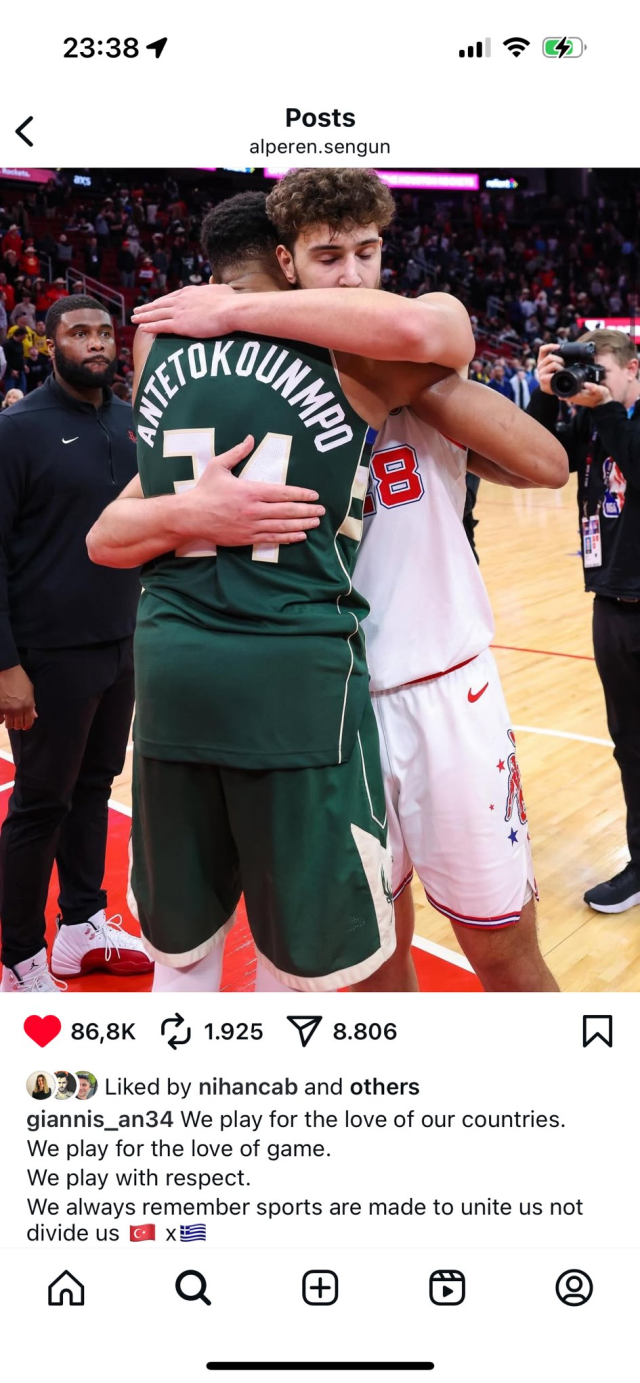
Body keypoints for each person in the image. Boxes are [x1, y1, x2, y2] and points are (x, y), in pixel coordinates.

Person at [113, 175, 565, 994]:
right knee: (369, 963)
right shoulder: (256, 386)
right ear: (286, 265)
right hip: (330, 707)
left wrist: (419, 392)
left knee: (503, 951)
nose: (354, 274)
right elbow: (116, 525)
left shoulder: (411, 354)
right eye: (330, 257)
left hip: (445, 689)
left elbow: (546, 463)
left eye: (367, 252)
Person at [0, 296, 153, 994]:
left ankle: (80, 926)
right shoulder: (17, 431)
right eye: (78, 333)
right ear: (50, 344)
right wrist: (6, 665)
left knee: (93, 787)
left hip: (119, 642)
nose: (95, 343)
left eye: (103, 332)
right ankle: (19, 957)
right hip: (48, 655)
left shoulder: (130, 423)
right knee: (40, 804)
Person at [529, 330, 640, 913]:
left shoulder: (616, 418)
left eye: (600, 373)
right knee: (631, 746)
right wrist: (546, 395)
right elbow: (536, 460)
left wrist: (608, 410)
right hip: (613, 604)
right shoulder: (592, 422)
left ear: (632, 368)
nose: (591, 384)